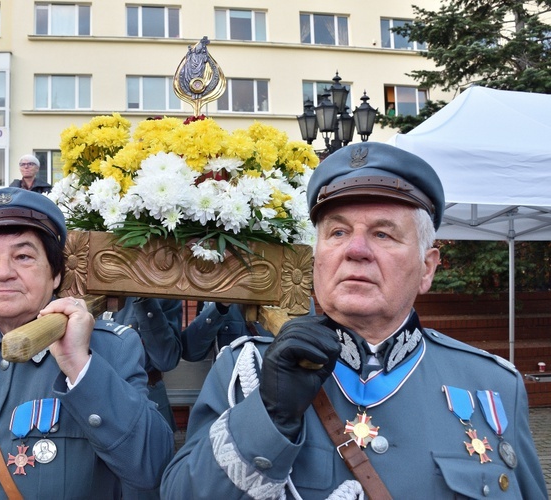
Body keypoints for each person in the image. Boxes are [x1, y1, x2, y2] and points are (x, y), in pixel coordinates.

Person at [161, 142, 547, 499]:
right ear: (317, 260)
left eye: (382, 234)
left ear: (427, 268)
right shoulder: (249, 372)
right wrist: (268, 417)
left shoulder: (494, 386)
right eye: (338, 232)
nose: (356, 250)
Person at [0, 187, 174, 498]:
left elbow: (154, 470)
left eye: (23, 256)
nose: (2, 273)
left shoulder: (108, 351)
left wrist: (79, 366)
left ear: (55, 275)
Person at [108, 297, 183, 430]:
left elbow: (166, 360)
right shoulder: (81, 288)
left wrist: (145, 301)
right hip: (104, 402)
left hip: (148, 399)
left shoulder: (163, 293)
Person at [181, 301, 314, 362]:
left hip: (279, 398)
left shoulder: (298, 302)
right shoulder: (218, 299)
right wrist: (220, 306)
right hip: (231, 397)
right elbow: (191, 353)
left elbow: (307, 360)